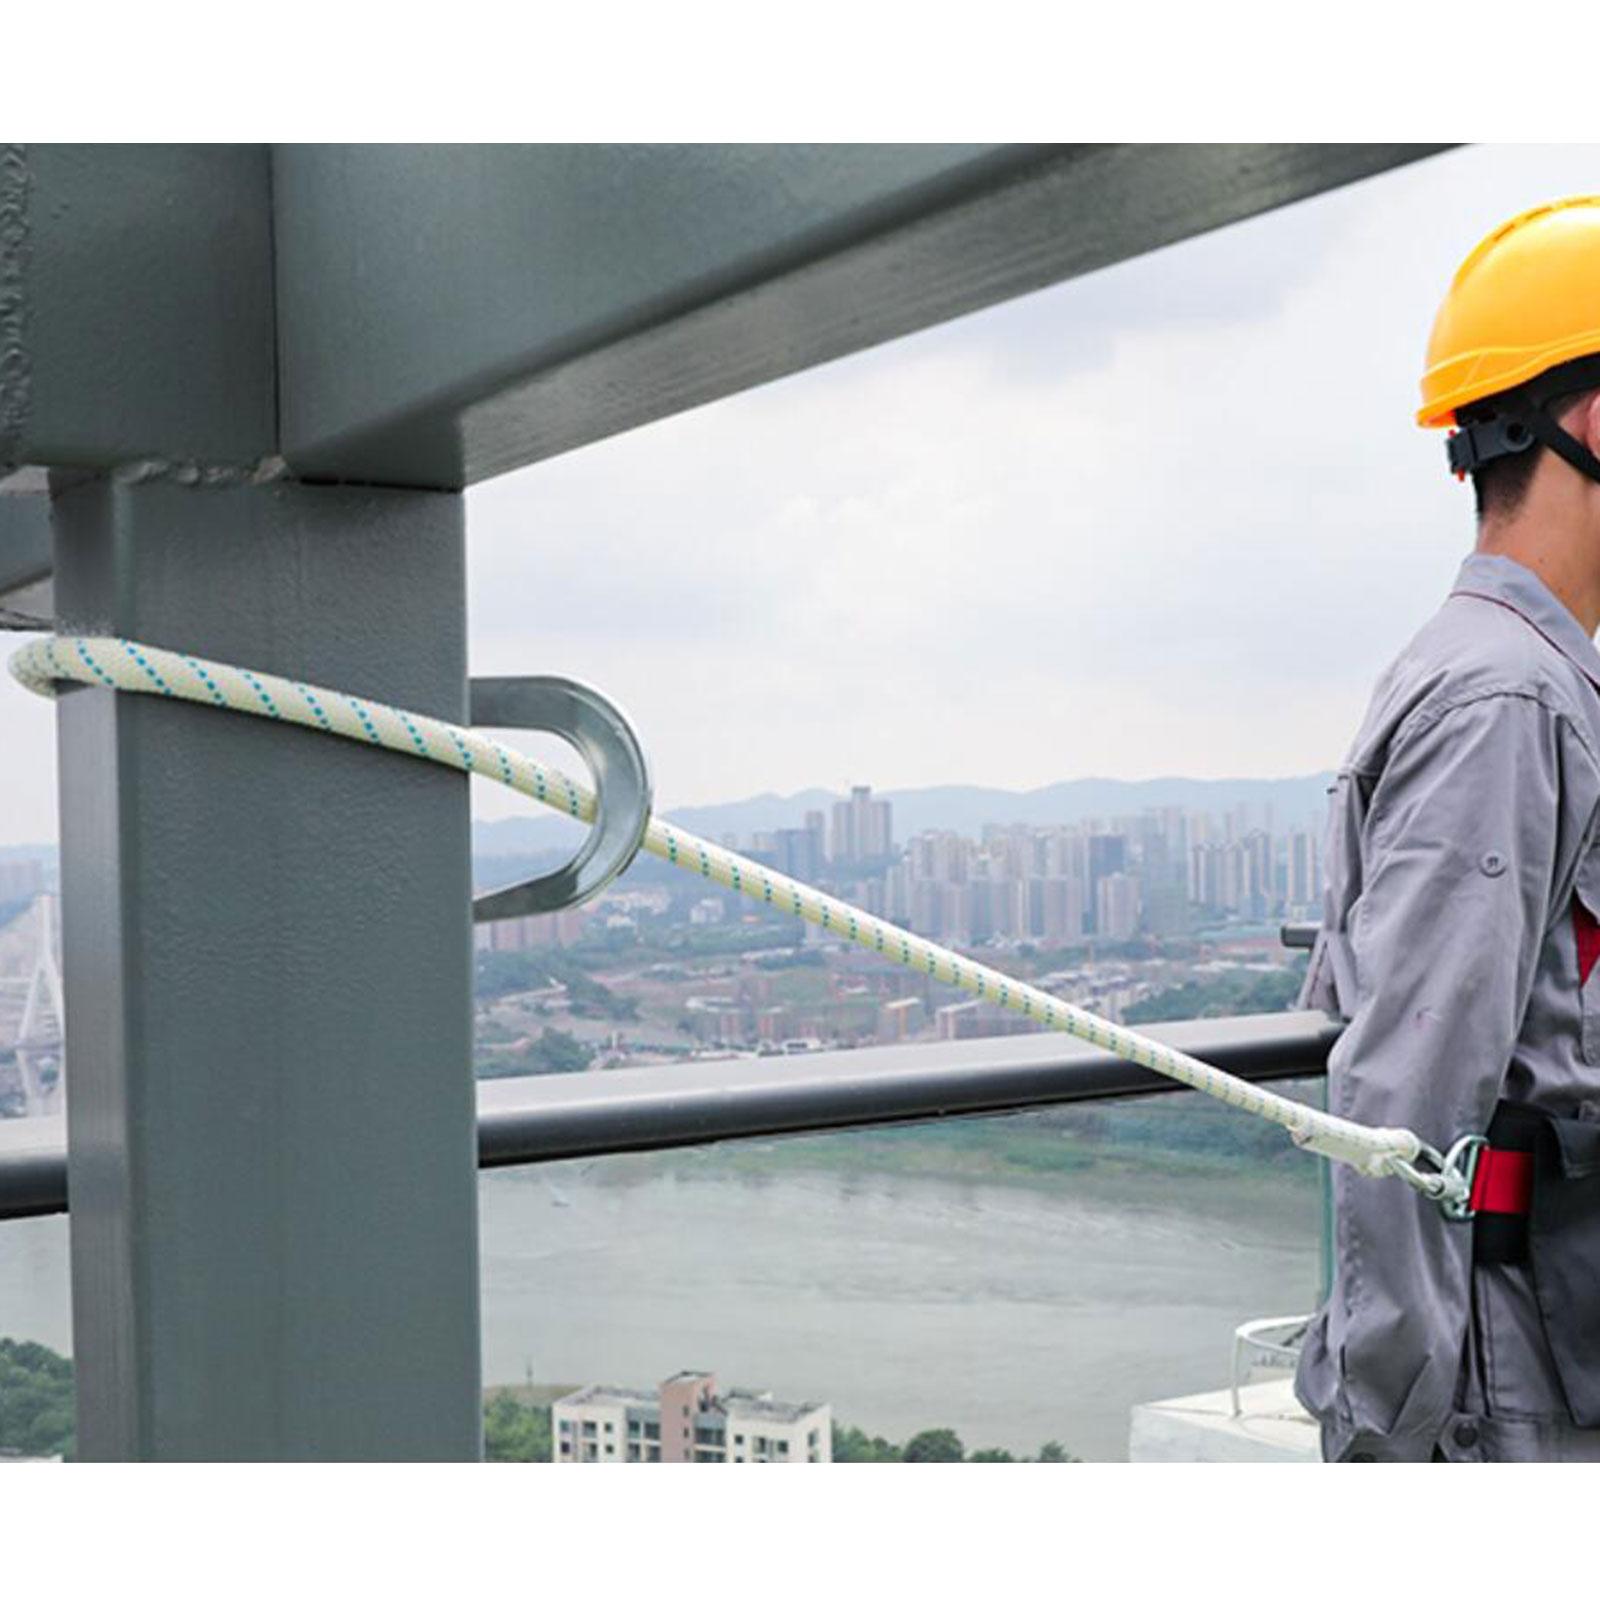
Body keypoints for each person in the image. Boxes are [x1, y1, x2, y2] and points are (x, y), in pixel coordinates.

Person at [1295, 197, 1600, 1463]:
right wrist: (1390, 1434)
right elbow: (1404, 1100)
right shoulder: (1504, 701)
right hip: (1507, 1384)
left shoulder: (1530, 677)